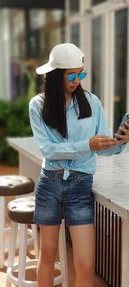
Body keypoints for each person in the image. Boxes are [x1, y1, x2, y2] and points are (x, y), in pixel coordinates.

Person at [29, 43, 129, 287]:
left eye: (81, 74)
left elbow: (104, 147)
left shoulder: (92, 102)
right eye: (71, 75)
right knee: (48, 256)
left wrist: (121, 141)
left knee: (85, 264)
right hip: (49, 185)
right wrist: (88, 145)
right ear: (53, 77)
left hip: (80, 186)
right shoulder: (37, 105)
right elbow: (48, 151)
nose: (77, 80)